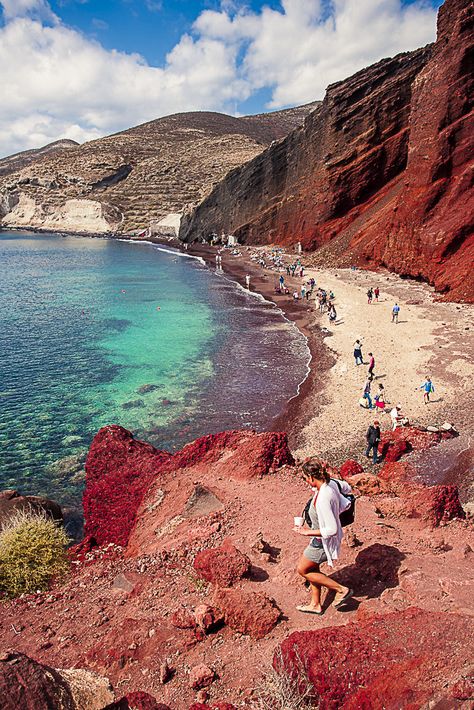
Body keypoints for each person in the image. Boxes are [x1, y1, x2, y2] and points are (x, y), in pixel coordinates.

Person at [294, 459, 354, 615]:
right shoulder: (331, 484)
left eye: (306, 478)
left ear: (312, 477)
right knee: (313, 568)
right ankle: (315, 604)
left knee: (303, 570)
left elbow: (331, 529)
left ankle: (341, 590)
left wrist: (306, 532)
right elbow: (347, 487)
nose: (306, 482)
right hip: (320, 539)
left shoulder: (323, 498)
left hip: (321, 542)